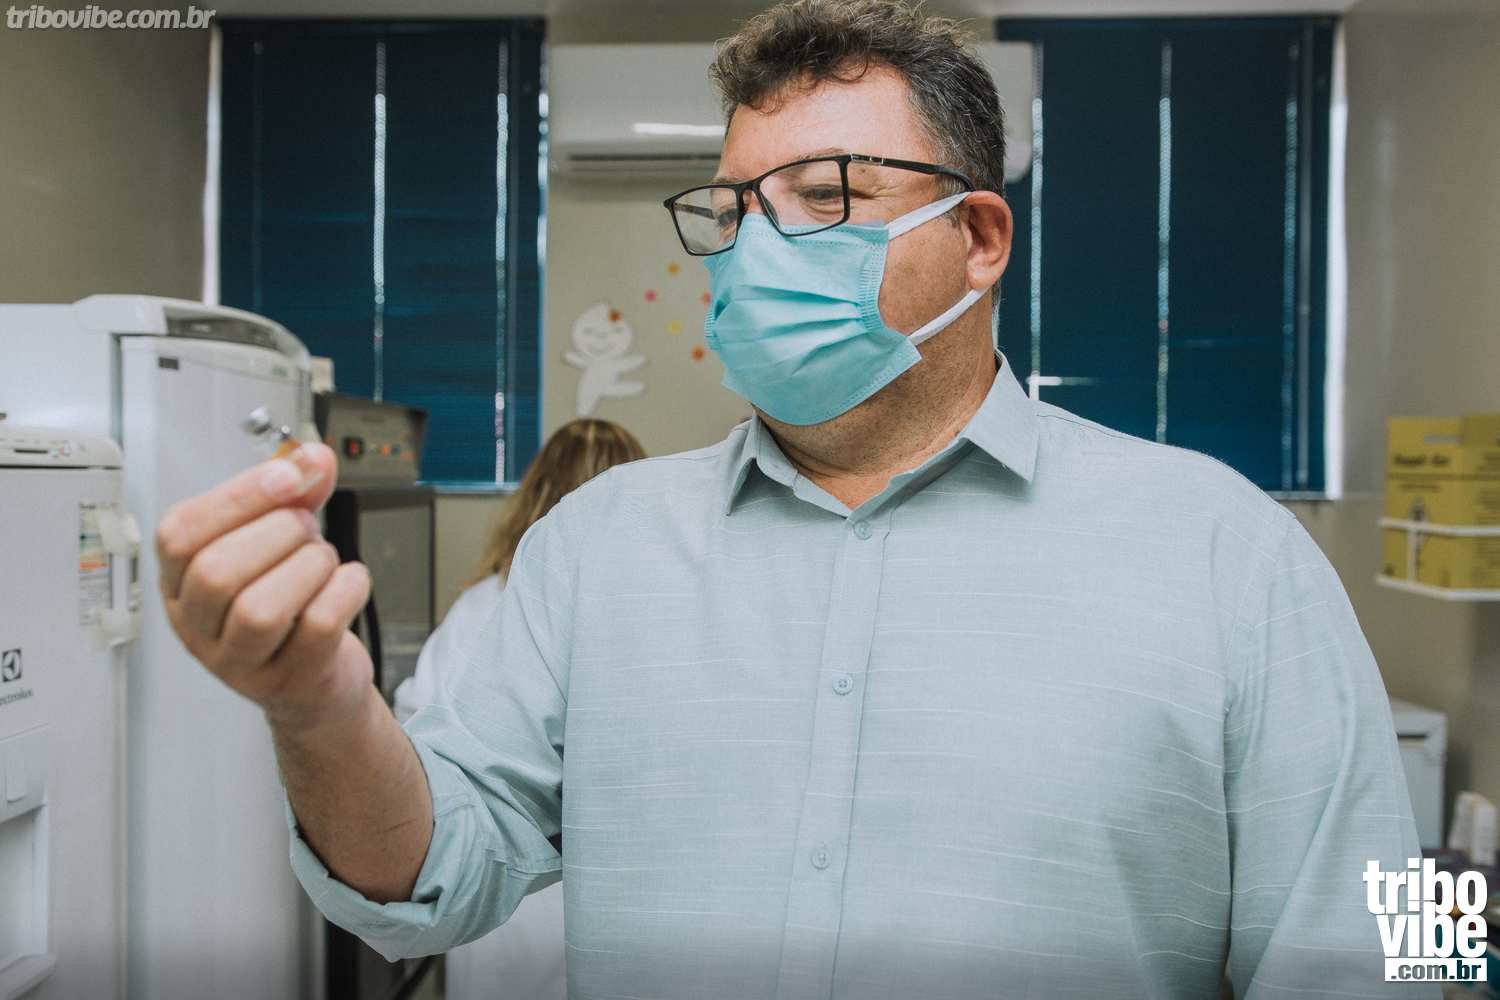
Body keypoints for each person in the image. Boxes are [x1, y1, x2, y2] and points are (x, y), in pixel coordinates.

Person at [154, 2, 1433, 997]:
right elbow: (428, 881)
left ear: (979, 239)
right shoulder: (595, 549)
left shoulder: (1225, 550)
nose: (760, 251)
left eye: (826, 198)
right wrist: (320, 709)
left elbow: (1395, 943)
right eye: (734, 211)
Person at [390, 418, 643, 1000]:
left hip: (506, 897)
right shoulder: (658, 613)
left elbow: (417, 739)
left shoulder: (482, 607)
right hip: (609, 890)